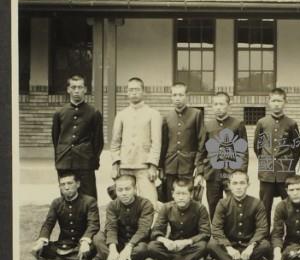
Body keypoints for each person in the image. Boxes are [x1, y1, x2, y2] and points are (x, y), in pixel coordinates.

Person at [253, 88, 300, 227]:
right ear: (269, 102)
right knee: (264, 207)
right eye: (273, 100)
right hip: (266, 173)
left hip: (285, 172)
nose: (276, 104)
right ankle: (265, 238)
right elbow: (257, 146)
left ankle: (290, 236)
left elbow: (296, 149)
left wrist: (288, 167)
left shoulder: (291, 124)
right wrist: (266, 162)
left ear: (285, 102)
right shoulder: (262, 123)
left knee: (289, 206)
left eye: (279, 101)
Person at [111, 77, 163, 205]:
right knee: (125, 201)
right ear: (127, 93)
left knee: (150, 202)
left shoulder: (153, 113)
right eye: (131, 90)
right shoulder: (121, 114)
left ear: (143, 91)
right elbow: (115, 142)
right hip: (125, 165)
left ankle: (149, 225)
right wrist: (115, 164)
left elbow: (156, 142)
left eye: (137, 89)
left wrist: (153, 166)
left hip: (144, 165)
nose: (133, 92)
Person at [51, 74, 104, 199]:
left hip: (85, 162)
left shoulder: (94, 113)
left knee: (88, 197)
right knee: (67, 196)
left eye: (80, 87)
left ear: (85, 89)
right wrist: (59, 158)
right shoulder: (59, 113)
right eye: (73, 87)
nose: (76, 91)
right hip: (65, 162)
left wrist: (92, 159)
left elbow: (98, 141)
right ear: (68, 89)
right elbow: (56, 139)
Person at [31, 173, 99, 260]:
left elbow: (93, 224)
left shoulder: (89, 201)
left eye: (70, 183)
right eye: (63, 184)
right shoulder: (56, 203)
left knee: (90, 250)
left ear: (78, 184)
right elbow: (48, 224)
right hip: (63, 244)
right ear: (59, 187)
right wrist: (41, 241)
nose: (66, 187)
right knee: (42, 249)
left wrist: (85, 242)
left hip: (81, 244)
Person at [206, 171, 271, 260]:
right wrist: (228, 247)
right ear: (229, 186)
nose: (238, 187)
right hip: (229, 245)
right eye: (235, 183)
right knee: (212, 244)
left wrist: (251, 246)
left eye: (242, 183)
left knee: (266, 245)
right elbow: (216, 228)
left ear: (248, 185)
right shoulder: (223, 203)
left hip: (249, 245)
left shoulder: (257, 203)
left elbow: (262, 228)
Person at [198, 91, 249, 219]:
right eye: (215, 104)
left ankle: (234, 233)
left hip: (231, 172)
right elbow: (201, 150)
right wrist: (200, 172)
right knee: (213, 205)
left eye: (221, 104)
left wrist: (241, 172)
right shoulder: (208, 125)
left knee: (234, 204)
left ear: (228, 106)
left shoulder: (237, 124)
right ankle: (216, 234)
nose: (218, 107)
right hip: (212, 173)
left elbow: (243, 151)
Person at [143, 179, 211, 260]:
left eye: (184, 194)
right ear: (173, 194)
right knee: (152, 246)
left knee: (203, 246)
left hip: (191, 245)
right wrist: (165, 241)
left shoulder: (200, 208)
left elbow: (205, 233)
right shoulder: (166, 207)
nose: (181, 197)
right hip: (173, 246)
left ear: (191, 194)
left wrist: (187, 242)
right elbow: (156, 230)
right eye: (178, 194)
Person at [92, 175, 154, 260]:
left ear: (135, 189)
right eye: (120, 190)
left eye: (127, 189)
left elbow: (143, 230)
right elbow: (111, 227)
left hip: (137, 243)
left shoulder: (145, 204)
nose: (124, 193)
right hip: (119, 242)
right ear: (116, 191)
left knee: (143, 248)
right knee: (98, 238)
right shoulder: (112, 205)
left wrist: (129, 247)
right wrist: (112, 249)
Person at [159, 82, 206, 202]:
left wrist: (199, 166)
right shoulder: (167, 117)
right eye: (174, 95)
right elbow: (163, 144)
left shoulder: (196, 114)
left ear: (187, 96)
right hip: (171, 165)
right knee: (171, 198)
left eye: (180, 95)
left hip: (188, 165)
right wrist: (161, 167)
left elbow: (202, 141)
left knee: (189, 198)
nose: (177, 98)